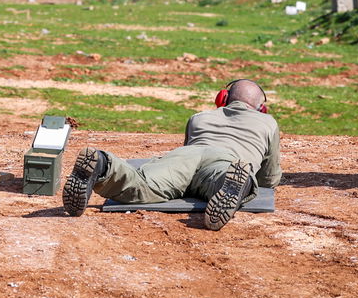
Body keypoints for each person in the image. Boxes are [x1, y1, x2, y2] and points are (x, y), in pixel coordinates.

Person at [61, 79, 282, 230]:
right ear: (260, 108)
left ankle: (103, 164)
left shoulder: (199, 117)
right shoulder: (268, 122)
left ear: (222, 98)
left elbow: (190, 150)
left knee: (143, 185)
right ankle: (234, 184)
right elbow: (268, 179)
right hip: (225, 161)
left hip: (185, 155)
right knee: (220, 181)